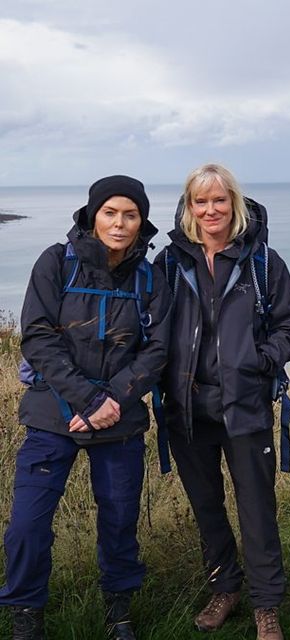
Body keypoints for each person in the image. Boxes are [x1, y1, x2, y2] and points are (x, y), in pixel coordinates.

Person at [0, 176, 171, 640]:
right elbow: (36, 336)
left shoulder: (150, 276)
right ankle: (26, 615)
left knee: (119, 520)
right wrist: (88, 399)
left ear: (142, 221)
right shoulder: (57, 262)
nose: (120, 223)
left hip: (120, 416)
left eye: (130, 214)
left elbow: (157, 350)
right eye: (111, 212)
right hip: (53, 415)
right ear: (92, 214)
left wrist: (111, 400)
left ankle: (119, 611)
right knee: (27, 525)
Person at [158, 164, 290, 640]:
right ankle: (225, 588)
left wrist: (259, 361)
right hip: (186, 411)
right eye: (201, 201)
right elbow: (151, 328)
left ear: (234, 204)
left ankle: (266, 606)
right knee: (207, 507)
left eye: (220, 200)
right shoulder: (168, 264)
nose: (211, 209)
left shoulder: (262, 262)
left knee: (257, 510)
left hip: (246, 407)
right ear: (189, 207)